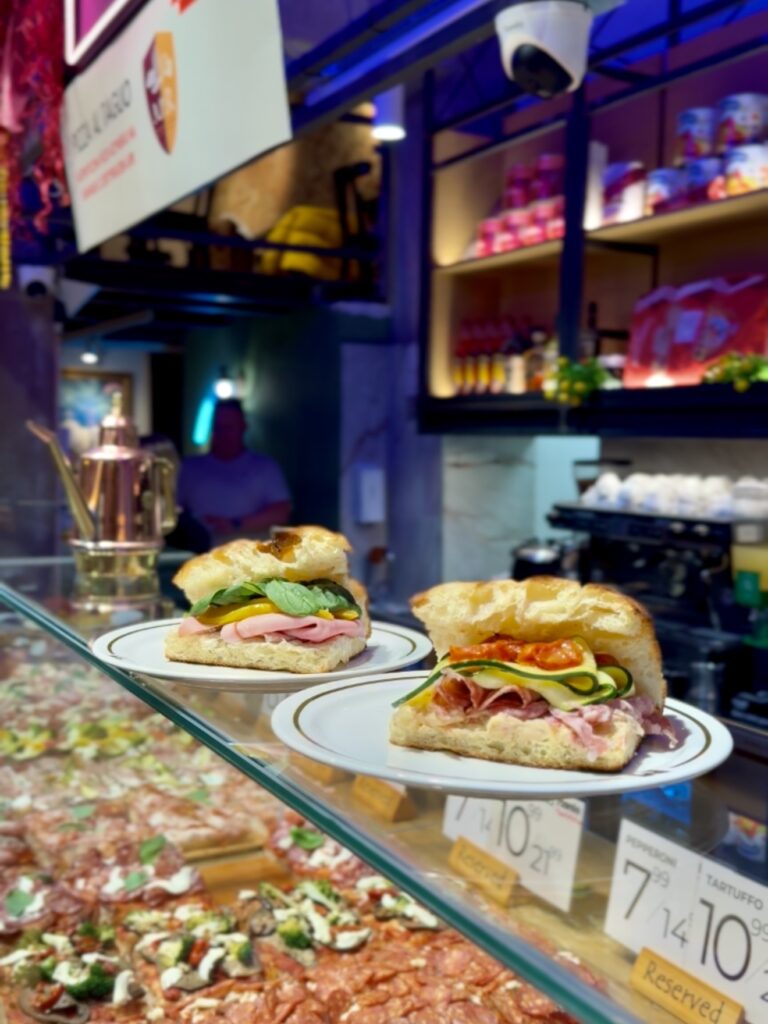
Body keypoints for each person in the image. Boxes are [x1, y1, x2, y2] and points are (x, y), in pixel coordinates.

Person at [177, 399, 291, 548]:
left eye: (229, 427)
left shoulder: (265, 467)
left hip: (249, 554)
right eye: (219, 427)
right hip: (200, 552)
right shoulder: (189, 467)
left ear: (243, 427)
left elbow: (281, 512)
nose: (224, 433)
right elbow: (173, 511)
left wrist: (235, 524)